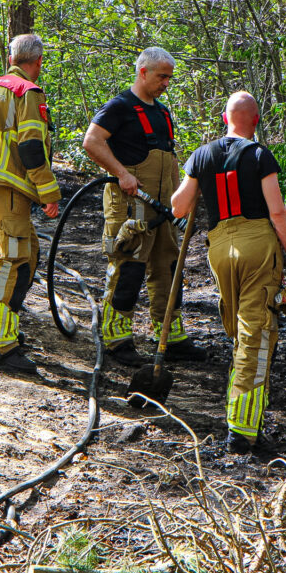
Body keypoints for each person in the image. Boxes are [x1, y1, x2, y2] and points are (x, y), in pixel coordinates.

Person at [171, 91, 286, 454]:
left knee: (238, 331)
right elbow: (277, 213)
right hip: (257, 245)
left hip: (219, 249)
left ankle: (241, 413)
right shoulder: (260, 154)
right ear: (256, 121)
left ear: (224, 118)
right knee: (255, 334)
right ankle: (243, 432)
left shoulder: (201, 155)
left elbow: (179, 207)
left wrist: (198, 177)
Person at [82, 47, 201, 366]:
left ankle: (170, 336)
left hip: (163, 208)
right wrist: (121, 174)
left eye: (169, 77)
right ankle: (117, 338)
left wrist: (180, 199)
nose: (166, 83)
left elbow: (169, 159)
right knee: (129, 266)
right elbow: (92, 141)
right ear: (143, 72)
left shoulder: (162, 113)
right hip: (131, 207)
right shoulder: (119, 106)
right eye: (162, 76)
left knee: (167, 267)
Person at [0, 34, 60, 374]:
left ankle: (7, 331)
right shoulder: (27, 92)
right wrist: (49, 192)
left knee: (27, 255)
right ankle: (0, 345)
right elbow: (31, 147)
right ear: (38, 61)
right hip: (8, 185)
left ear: (11, 58)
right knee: (11, 260)